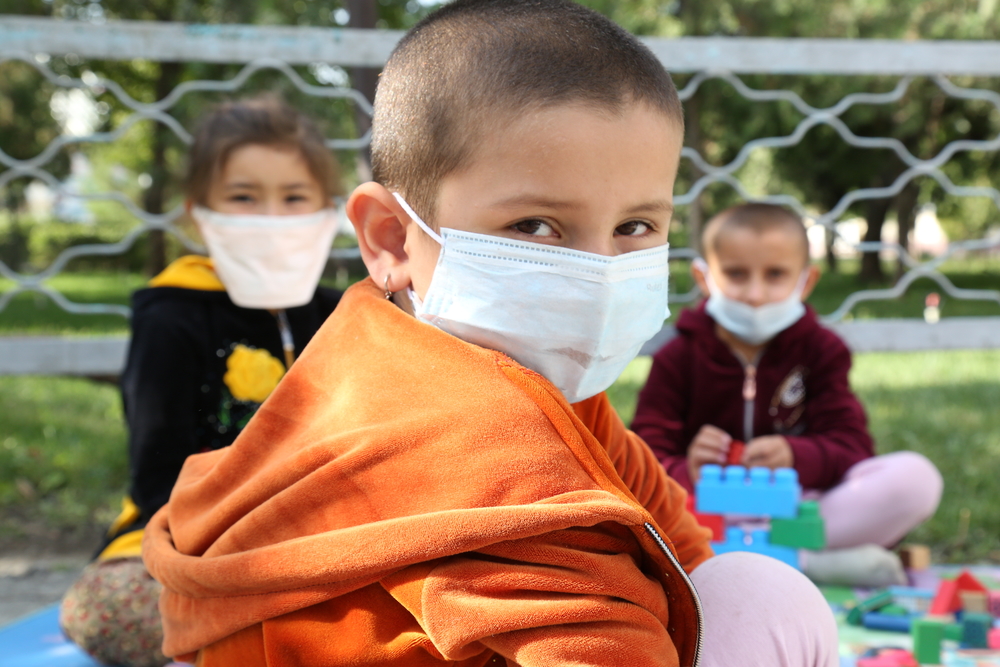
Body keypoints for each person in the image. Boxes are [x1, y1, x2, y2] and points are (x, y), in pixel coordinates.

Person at [143, 3, 840, 666]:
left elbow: (675, 542)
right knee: (768, 594)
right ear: (392, 237)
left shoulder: (375, 340)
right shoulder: (496, 446)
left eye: (635, 227)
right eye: (535, 226)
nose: (597, 272)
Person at [59, 96, 345, 667]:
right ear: (200, 215)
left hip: (323, 541)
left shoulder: (347, 315)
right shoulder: (171, 317)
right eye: (243, 198)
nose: (270, 217)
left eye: (293, 198)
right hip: (181, 544)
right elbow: (157, 475)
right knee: (106, 610)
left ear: (327, 211)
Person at [632, 202, 943, 586]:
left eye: (776, 275)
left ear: (805, 282)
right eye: (736, 274)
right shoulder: (678, 358)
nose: (756, 294)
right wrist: (689, 471)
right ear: (704, 277)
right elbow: (643, 454)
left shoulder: (821, 351)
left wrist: (796, 456)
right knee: (630, 503)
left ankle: (743, 560)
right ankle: (803, 564)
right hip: (705, 511)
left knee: (916, 479)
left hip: (795, 511)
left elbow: (852, 446)